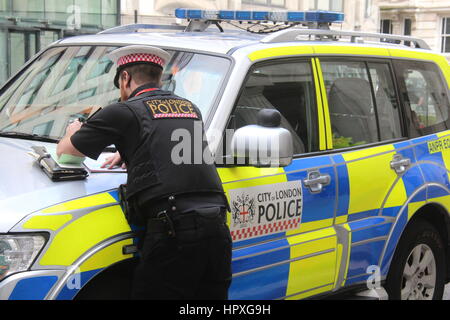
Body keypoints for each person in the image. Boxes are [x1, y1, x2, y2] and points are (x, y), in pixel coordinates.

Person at [57, 45, 232, 300]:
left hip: (174, 232)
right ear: (159, 77)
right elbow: (180, 155)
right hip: (217, 228)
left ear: (125, 78)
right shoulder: (189, 108)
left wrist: (73, 130)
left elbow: (68, 152)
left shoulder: (123, 110)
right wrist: (131, 151)